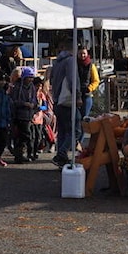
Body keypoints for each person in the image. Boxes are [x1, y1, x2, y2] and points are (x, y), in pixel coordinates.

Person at [48, 40, 77, 168]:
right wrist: (78, 95)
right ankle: (61, 154)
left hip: (57, 99)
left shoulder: (57, 62)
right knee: (75, 130)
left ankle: (61, 160)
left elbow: (52, 78)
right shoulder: (70, 61)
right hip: (67, 100)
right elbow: (72, 80)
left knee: (62, 131)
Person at [9, 66, 39, 163]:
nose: (30, 79)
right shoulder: (17, 87)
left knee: (28, 136)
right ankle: (19, 155)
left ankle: (27, 154)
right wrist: (24, 103)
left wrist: (33, 105)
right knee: (23, 136)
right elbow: (14, 100)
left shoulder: (32, 88)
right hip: (19, 115)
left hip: (29, 115)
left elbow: (35, 99)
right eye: (28, 77)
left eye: (31, 77)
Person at [76, 46, 100, 118]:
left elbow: (96, 80)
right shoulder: (74, 65)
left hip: (87, 95)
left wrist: (89, 88)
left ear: (87, 54)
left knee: (84, 117)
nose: (82, 55)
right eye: (80, 53)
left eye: (84, 53)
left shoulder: (91, 66)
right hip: (75, 95)